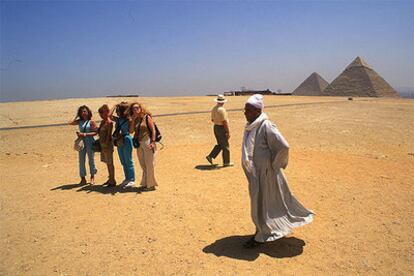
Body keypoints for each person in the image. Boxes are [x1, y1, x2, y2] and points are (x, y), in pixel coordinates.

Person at [242, 94, 314, 248]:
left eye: (248, 110)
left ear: (257, 111)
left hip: (267, 174)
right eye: (245, 110)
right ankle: (262, 230)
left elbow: (283, 146)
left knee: (262, 203)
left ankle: (260, 235)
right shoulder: (252, 126)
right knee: (260, 203)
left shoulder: (266, 125)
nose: (245, 113)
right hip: (257, 174)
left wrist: (274, 166)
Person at [129, 102, 158, 191]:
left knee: (149, 164)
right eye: (133, 108)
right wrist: (133, 120)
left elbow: (153, 130)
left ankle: (151, 185)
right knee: (143, 164)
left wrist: (153, 142)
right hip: (139, 143)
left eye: (137, 108)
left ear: (141, 108)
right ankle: (145, 183)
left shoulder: (146, 117)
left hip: (148, 142)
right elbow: (131, 131)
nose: (135, 110)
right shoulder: (135, 119)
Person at [68, 105, 98, 185]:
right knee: (81, 161)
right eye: (82, 112)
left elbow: (95, 132)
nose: (84, 113)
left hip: (90, 141)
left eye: (85, 111)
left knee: (91, 160)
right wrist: (76, 116)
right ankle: (83, 178)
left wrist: (84, 134)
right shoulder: (79, 121)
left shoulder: (91, 122)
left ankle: (92, 177)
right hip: (82, 143)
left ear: (88, 112)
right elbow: (70, 123)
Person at [110, 102, 135, 188]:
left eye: (118, 110)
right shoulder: (118, 119)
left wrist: (131, 122)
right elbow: (109, 116)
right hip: (119, 140)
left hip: (126, 139)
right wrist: (114, 105)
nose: (117, 112)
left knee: (128, 160)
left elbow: (131, 131)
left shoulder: (129, 119)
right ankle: (127, 178)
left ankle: (131, 179)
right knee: (123, 161)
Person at [206, 94, 233, 167]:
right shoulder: (222, 109)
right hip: (221, 128)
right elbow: (224, 121)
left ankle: (210, 156)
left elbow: (212, 119)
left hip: (215, 127)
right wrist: (227, 131)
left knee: (221, 144)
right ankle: (226, 162)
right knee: (225, 146)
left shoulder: (214, 108)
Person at [98, 104, 116, 187]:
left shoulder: (109, 122)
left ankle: (112, 180)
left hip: (107, 145)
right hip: (103, 145)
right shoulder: (102, 122)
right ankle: (110, 178)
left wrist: (105, 145)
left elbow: (109, 135)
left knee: (110, 163)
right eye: (100, 113)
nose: (101, 114)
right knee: (107, 163)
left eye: (103, 112)